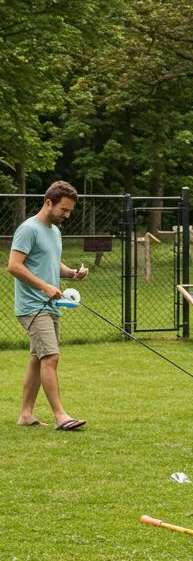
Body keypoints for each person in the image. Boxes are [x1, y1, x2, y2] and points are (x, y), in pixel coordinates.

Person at [7, 181, 89, 430]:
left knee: (37, 359)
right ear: (48, 202)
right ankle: (61, 416)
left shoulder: (54, 231)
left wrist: (72, 273)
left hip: (50, 305)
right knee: (51, 357)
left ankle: (25, 415)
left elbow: (52, 262)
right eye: (64, 210)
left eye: (70, 211)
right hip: (34, 306)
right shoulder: (28, 229)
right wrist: (44, 287)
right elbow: (14, 266)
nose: (67, 215)